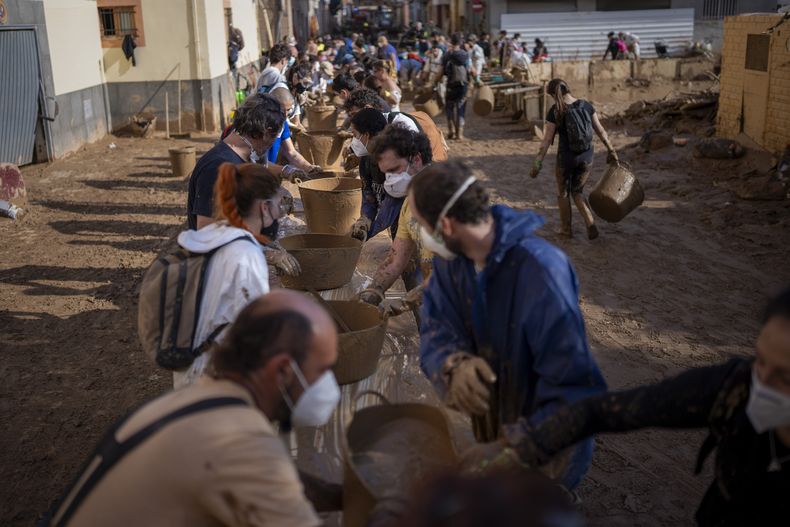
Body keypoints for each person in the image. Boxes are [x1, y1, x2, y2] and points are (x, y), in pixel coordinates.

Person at [463, 287, 790, 526]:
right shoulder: (733, 388)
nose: (761, 384)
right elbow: (600, 411)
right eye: (759, 361)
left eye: (784, 378)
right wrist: (516, 450)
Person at [44, 290, 344, 527]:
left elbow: (277, 484)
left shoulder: (201, 397)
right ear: (282, 371)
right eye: (323, 369)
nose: (328, 383)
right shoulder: (240, 443)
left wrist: (339, 495)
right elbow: (260, 473)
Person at [407, 160, 607, 490]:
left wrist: (514, 448)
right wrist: (451, 364)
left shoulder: (541, 271)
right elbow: (436, 325)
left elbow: (575, 389)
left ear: (445, 224)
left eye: (421, 225)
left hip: (552, 440)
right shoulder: (452, 264)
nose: (423, 235)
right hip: (497, 418)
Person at [175, 163, 299, 387]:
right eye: (277, 203)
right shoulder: (245, 256)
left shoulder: (210, 234)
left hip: (188, 363)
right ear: (263, 207)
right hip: (215, 373)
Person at [357, 125, 434, 316]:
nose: (390, 180)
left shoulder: (452, 197)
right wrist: (374, 291)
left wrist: (425, 291)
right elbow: (396, 259)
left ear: (416, 159)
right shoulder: (409, 204)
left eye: (394, 170)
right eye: (386, 174)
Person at [530, 78, 618, 240]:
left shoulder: (556, 111)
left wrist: (538, 162)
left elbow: (547, 140)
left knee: (563, 192)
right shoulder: (586, 105)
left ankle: (565, 230)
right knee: (577, 191)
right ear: (568, 89)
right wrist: (611, 150)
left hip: (566, 158)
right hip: (586, 156)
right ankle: (590, 223)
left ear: (552, 94)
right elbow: (600, 130)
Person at [187, 94, 285, 231]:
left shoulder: (242, 158)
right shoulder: (218, 168)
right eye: (275, 136)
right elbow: (206, 229)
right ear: (266, 132)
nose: (273, 143)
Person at [347, 109, 400, 242]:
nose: (353, 141)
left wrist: (368, 232)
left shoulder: (397, 160)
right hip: (392, 217)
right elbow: (368, 196)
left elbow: (390, 208)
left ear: (366, 135)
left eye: (354, 135)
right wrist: (364, 220)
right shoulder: (366, 160)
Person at [267, 87, 321, 174]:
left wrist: (309, 167)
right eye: (281, 110)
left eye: (288, 110)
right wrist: (286, 171)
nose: (285, 114)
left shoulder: (282, 123)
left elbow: (291, 152)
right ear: (270, 106)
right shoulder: (259, 125)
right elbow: (257, 162)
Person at [442, 34, 470, 140]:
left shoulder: (447, 55)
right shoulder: (465, 55)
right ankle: (460, 134)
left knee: (449, 107)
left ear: (451, 42)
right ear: (460, 42)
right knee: (461, 107)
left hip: (451, 85)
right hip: (463, 85)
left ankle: (451, 131)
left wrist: (433, 83)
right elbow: (471, 70)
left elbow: (441, 71)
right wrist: (476, 80)